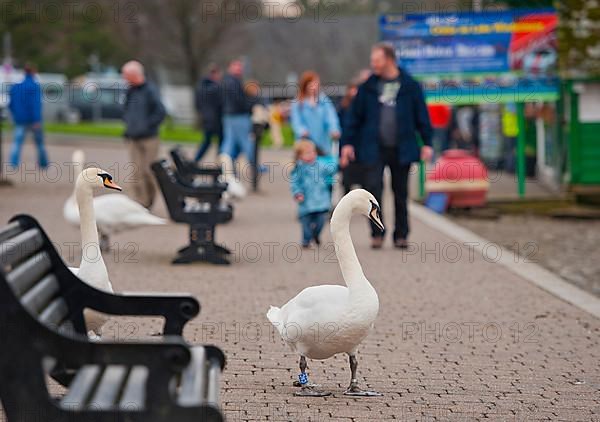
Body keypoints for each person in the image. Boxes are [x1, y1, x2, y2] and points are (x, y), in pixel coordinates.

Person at [340, 42, 433, 249]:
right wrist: (347, 143)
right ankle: (377, 233)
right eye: (372, 61)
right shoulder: (368, 87)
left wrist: (427, 142)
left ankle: (401, 234)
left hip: (402, 147)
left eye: (377, 60)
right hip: (373, 148)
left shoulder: (410, 85)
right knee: (373, 191)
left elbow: (422, 116)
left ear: (389, 59)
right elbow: (353, 118)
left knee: (400, 192)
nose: (373, 64)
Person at [121, 60, 166, 209]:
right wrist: (129, 127)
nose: (124, 78)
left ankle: (150, 200)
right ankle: (140, 202)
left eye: (126, 75)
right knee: (136, 171)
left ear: (135, 75)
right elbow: (126, 111)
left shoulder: (150, 91)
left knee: (148, 171)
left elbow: (160, 112)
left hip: (149, 138)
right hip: (133, 137)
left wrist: (147, 125)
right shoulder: (129, 91)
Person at [290, 140, 337, 248]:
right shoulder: (299, 169)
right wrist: (298, 193)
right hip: (306, 201)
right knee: (305, 223)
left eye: (312, 152)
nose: (311, 155)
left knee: (321, 221)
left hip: (321, 200)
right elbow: (295, 183)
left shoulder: (321, 164)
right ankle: (306, 240)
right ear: (299, 156)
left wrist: (336, 160)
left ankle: (315, 235)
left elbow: (331, 169)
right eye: (307, 153)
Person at [290, 71, 340, 157]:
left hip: (322, 143)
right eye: (311, 84)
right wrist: (302, 131)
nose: (314, 87)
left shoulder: (324, 101)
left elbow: (331, 117)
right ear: (305, 85)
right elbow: (296, 121)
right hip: (305, 144)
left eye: (316, 83)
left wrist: (334, 129)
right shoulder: (298, 102)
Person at [8, 63, 49, 169]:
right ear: (33, 72)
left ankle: (13, 164)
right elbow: (36, 104)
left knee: (17, 143)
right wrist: (37, 119)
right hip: (33, 120)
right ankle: (43, 164)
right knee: (39, 144)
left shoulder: (16, 87)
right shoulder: (34, 86)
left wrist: (15, 115)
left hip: (20, 119)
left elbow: (11, 104)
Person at [220, 58, 257, 169]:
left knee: (230, 143)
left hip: (231, 115)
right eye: (236, 66)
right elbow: (239, 100)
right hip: (237, 115)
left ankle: (227, 166)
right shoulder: (231, 82)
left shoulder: (230, 80)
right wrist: (250, 105)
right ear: (230, 67)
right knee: (246, 142)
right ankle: (254, 165)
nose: (239, 69)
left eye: (240, 67)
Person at [194, 64, 223, 162]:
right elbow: (220, 103)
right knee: (220, 142)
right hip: (216, 120)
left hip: (206, 119)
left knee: (206, 142)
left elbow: (197, 104)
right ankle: (220, 164)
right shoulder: (216, 88)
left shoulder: (200, 87)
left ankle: (195, 161)